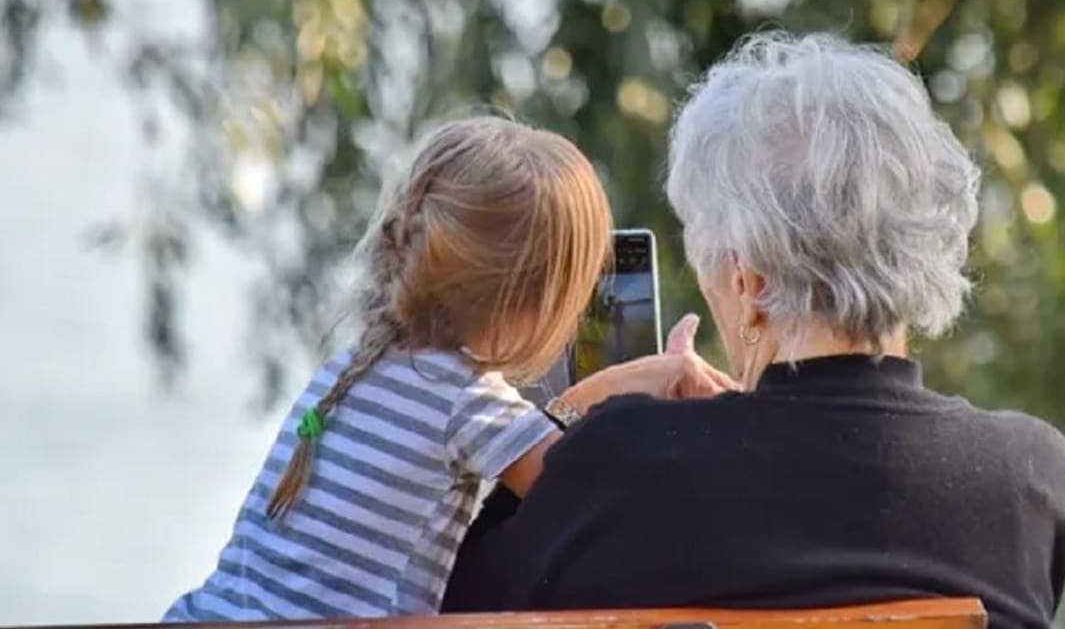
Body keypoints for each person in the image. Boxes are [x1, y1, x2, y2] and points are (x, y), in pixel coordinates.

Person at [442, 35, 1065, 629]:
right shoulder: (1025, 480)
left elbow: (452, 605)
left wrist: (569, 415)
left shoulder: (622, 464)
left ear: (748, 289)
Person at [163, 117, 736, 622]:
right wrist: (636, 391)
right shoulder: (465, 399)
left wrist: (622, 381)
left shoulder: (358, 364)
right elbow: (577, 494)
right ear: (530, 301)